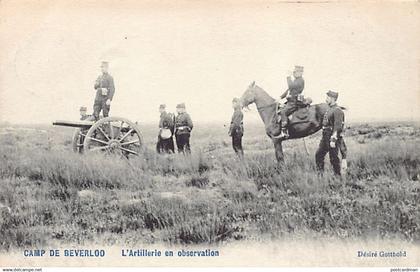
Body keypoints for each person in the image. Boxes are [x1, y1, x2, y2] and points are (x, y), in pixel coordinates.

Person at [315, 90, 345, 176]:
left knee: (334, 158)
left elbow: (338, 126)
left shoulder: (337, 110)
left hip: (332, 136)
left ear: (333, 99)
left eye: (328, 98)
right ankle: (320, 176)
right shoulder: (330, 109)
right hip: (325, 136)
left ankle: (337, 177)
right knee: (318, 155)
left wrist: (333, 139)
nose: (326, 99)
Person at [279, 65, 305, 139]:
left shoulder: (300, 80)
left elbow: (290, 86)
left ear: (300, 73)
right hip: (291, 101)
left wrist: (288, 77)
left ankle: (284, 131)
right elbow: (288, 90)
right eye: (294, 72)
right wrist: (280, 97)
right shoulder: (296, 80)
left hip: (295, 102)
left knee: (283, 112)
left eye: (295, 72)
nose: (294, 73)